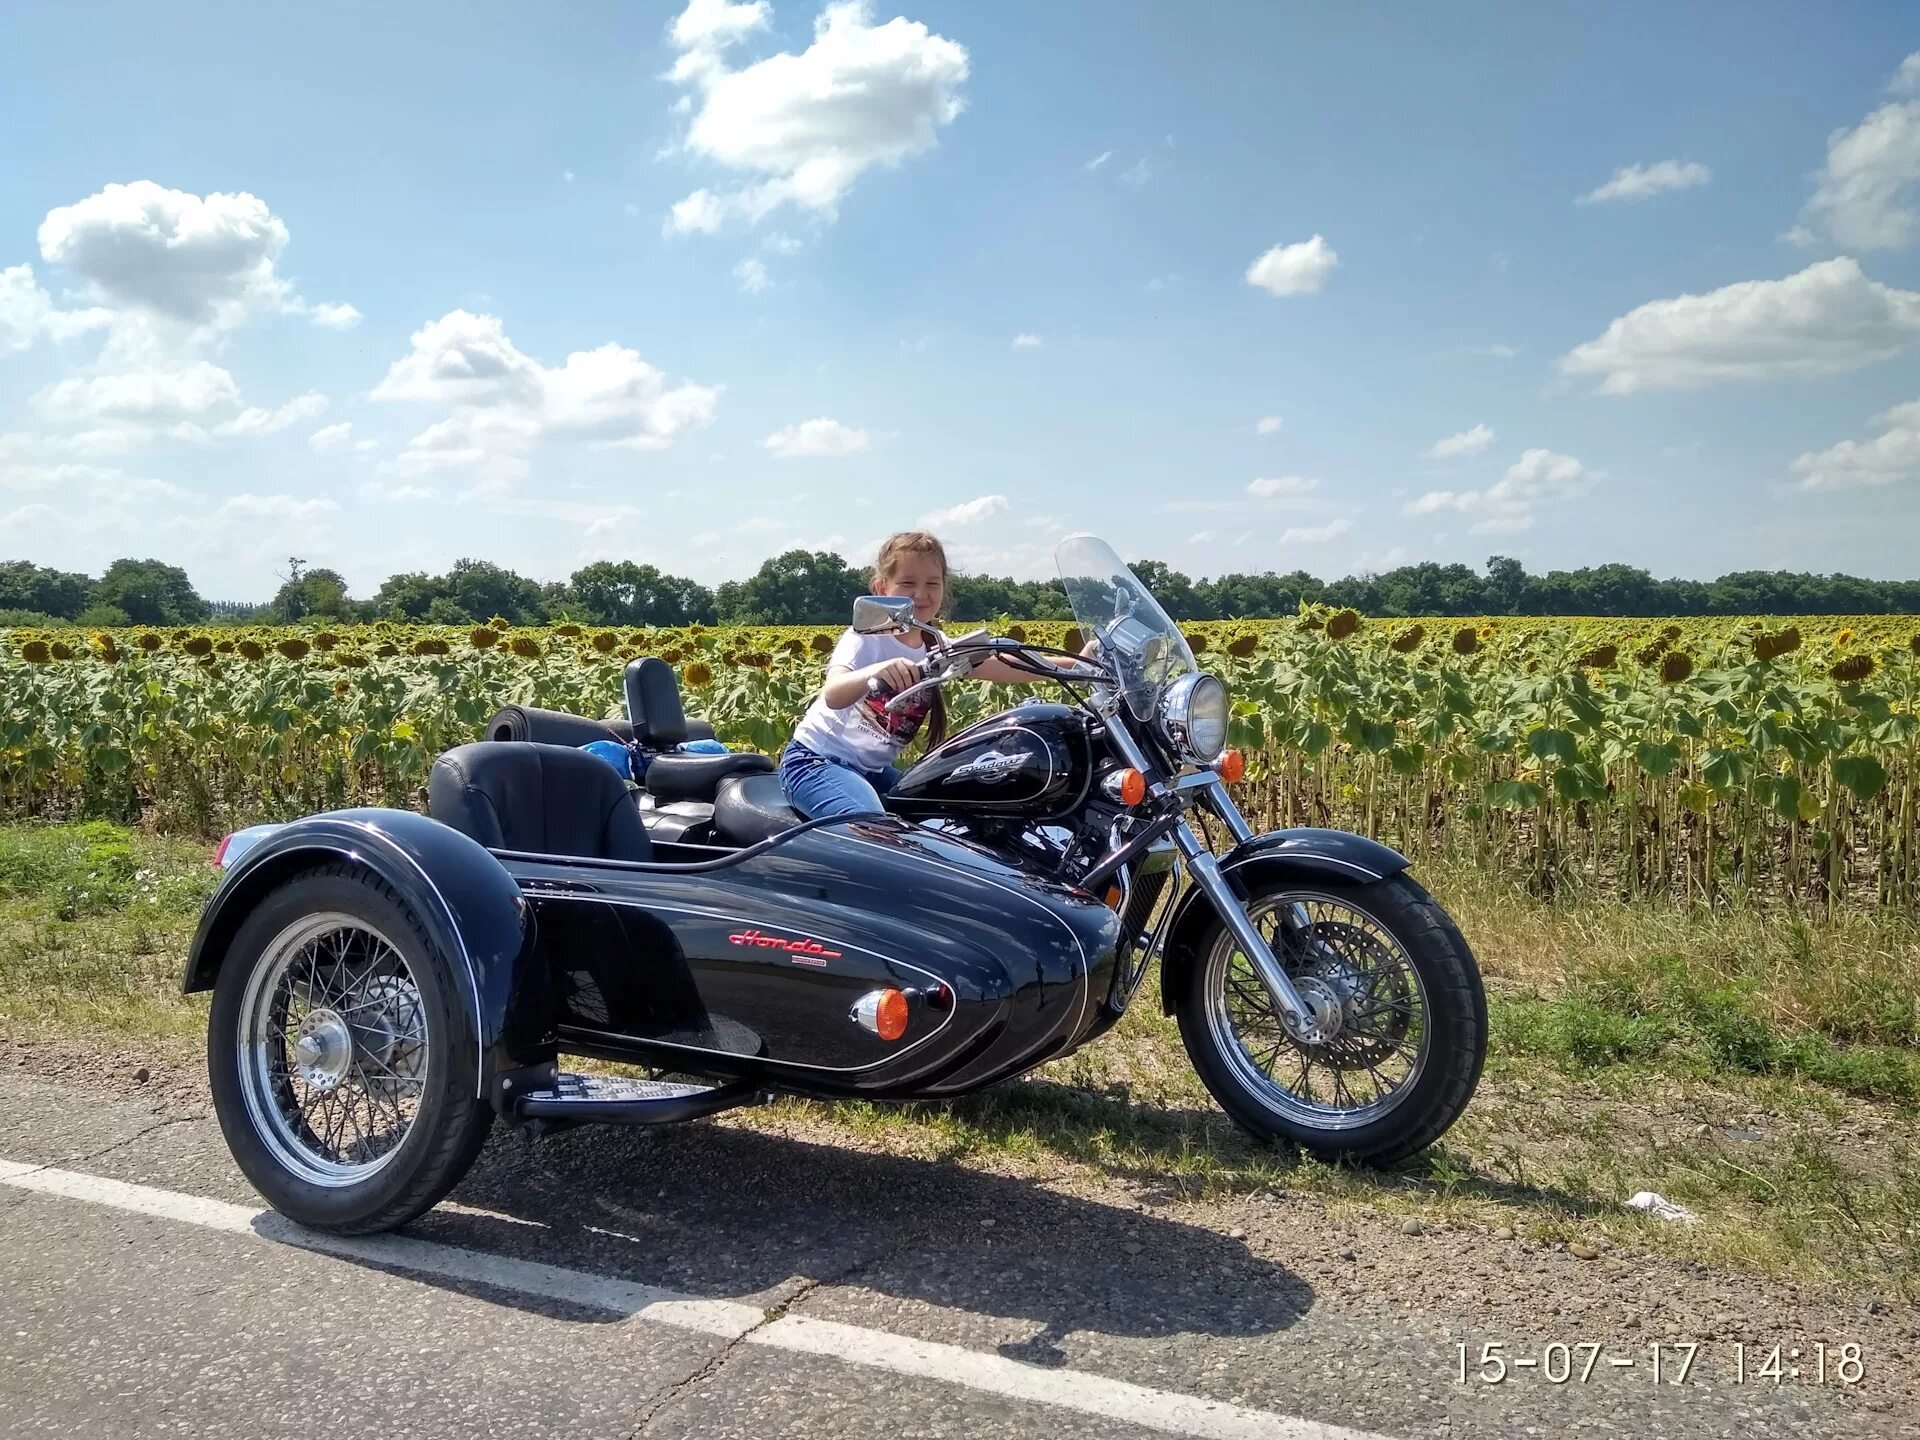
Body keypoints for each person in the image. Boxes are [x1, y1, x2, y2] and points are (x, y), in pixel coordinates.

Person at [780, 530, 1088, 819]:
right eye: (907, 583)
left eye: (932, 583)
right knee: (872, 830)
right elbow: (833, 693)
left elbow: (1004, 664)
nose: (921, 594)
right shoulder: (865, 637)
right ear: (881, 588)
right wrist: (875, 671)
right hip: (815, 763)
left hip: (873, 772)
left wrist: (1078, 665)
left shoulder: (935, 644)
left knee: (941, 821)